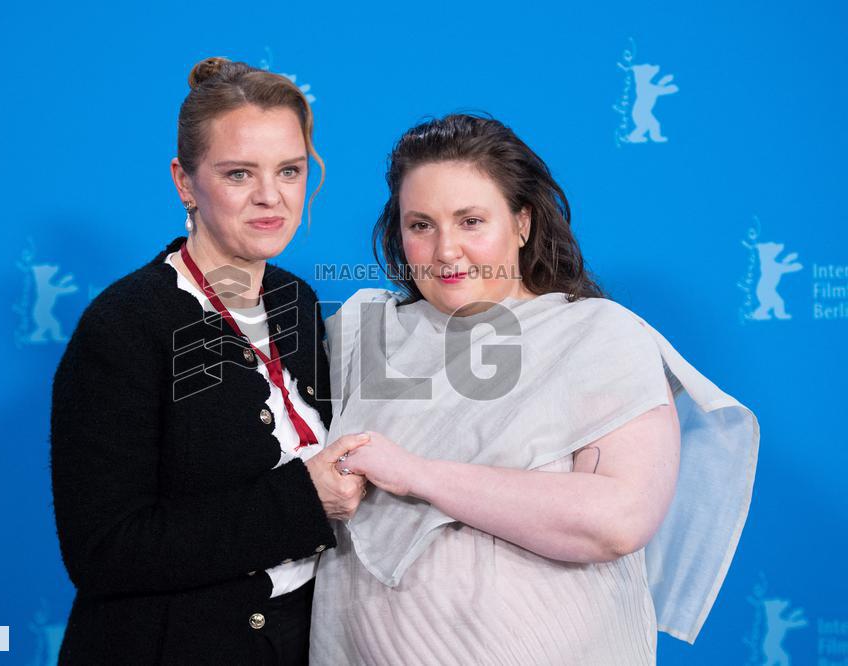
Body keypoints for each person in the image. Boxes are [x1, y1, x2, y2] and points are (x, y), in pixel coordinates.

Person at [310, 114, 759, 665]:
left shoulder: (597, 335)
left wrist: (417, 474)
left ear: (522, 222)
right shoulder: (363, 333)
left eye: (471, 221)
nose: (446, 249)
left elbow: (617, 519)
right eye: (421, 225)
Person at [50, 56, 367, 665]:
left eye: (290, 170)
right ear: (185, 182)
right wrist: (303, 501)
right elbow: (105, 551)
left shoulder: (295, 299)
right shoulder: (124, 325)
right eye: (238, 173)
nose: (270, 196)